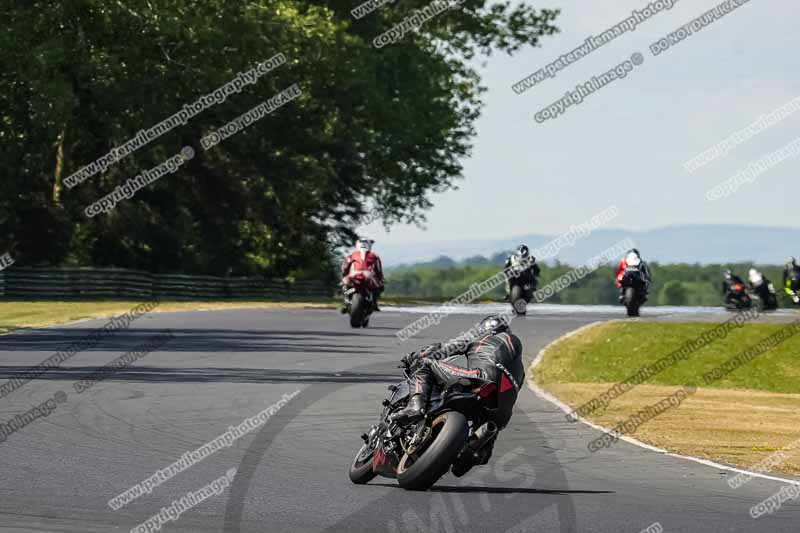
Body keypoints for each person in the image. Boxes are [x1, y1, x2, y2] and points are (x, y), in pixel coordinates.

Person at [392, 315, 525, 476]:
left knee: (425, 363)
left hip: (480, 379)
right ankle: (473, 451)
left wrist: (414, 356)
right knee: (483, 443)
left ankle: (415, 406)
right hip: (502, 409)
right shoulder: (519, 365)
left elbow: (442, 349)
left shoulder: (481, 336)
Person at [341, 237, 384, 312]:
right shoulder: (375, 256)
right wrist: (381, 279)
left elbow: (345, 267)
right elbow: (378, 270)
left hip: (353, 275)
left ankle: (346, 302)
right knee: (378, 287)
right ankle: (375, 303)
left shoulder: (351, 255)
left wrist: (345, 276)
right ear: (369, 245)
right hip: (368, 275)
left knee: (345, 286)